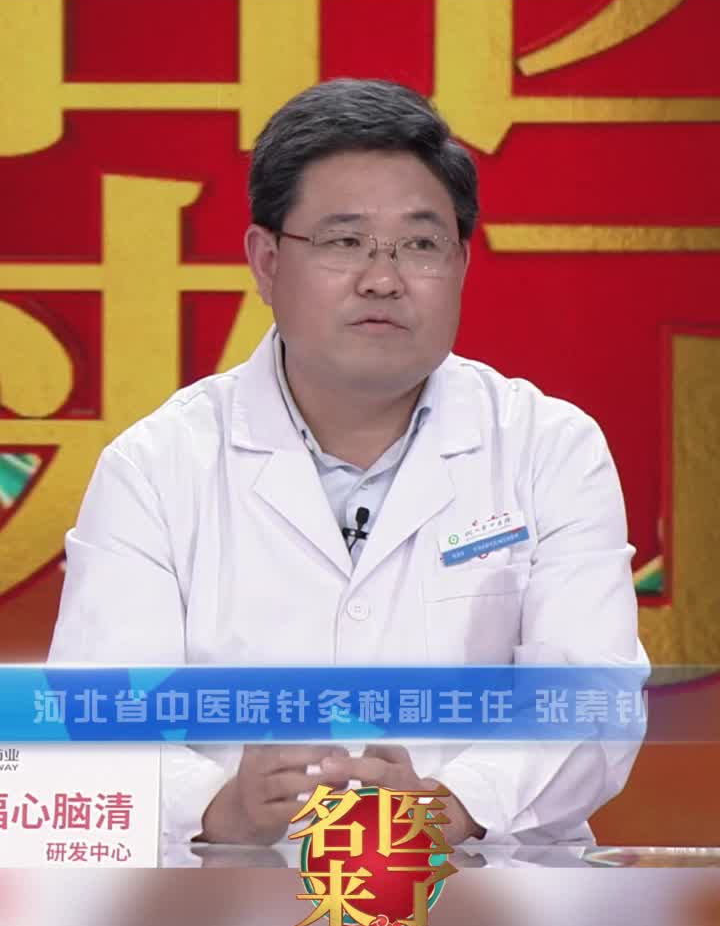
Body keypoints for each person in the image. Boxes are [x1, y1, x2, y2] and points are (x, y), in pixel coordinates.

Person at [48, 77, 649, 852]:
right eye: (344, 242)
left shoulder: (549, 448)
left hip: (488, 895)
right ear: (267, 260)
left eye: (420, 245)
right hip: (232, 904)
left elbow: (594, 698)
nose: (383, 278)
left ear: (461, 263)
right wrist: (222, 807)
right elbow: (94, 716)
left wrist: (451, 803)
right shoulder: (157, 468)